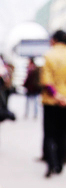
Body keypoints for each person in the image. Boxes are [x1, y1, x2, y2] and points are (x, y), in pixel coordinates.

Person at [40, 30, 66, 177]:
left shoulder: (49, 55)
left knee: (49, 134)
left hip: (51, 102)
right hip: (65, 102)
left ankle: (50, 163)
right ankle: (60, 164)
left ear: (54, 40)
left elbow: (46, 81)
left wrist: (56, 96)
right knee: (62, 133)